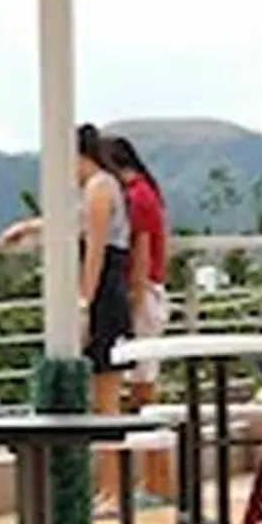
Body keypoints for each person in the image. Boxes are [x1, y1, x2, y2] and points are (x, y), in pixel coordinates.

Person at [103, 134, 170, 404]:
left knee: (140, 374)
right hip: (150, 286)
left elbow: (142, 251)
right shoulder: (146, 193)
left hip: (141, 287)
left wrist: (136, 296)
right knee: (143, 372)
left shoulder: (136, 198)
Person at [74, 123, 132, 414]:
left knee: (104, 399)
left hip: (104, 291)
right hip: (109, 285)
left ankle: (108, 459)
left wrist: (84, 302)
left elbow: (96, 247)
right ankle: (108, 458)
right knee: (104, 392)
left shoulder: (98, 187)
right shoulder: (102, 185)